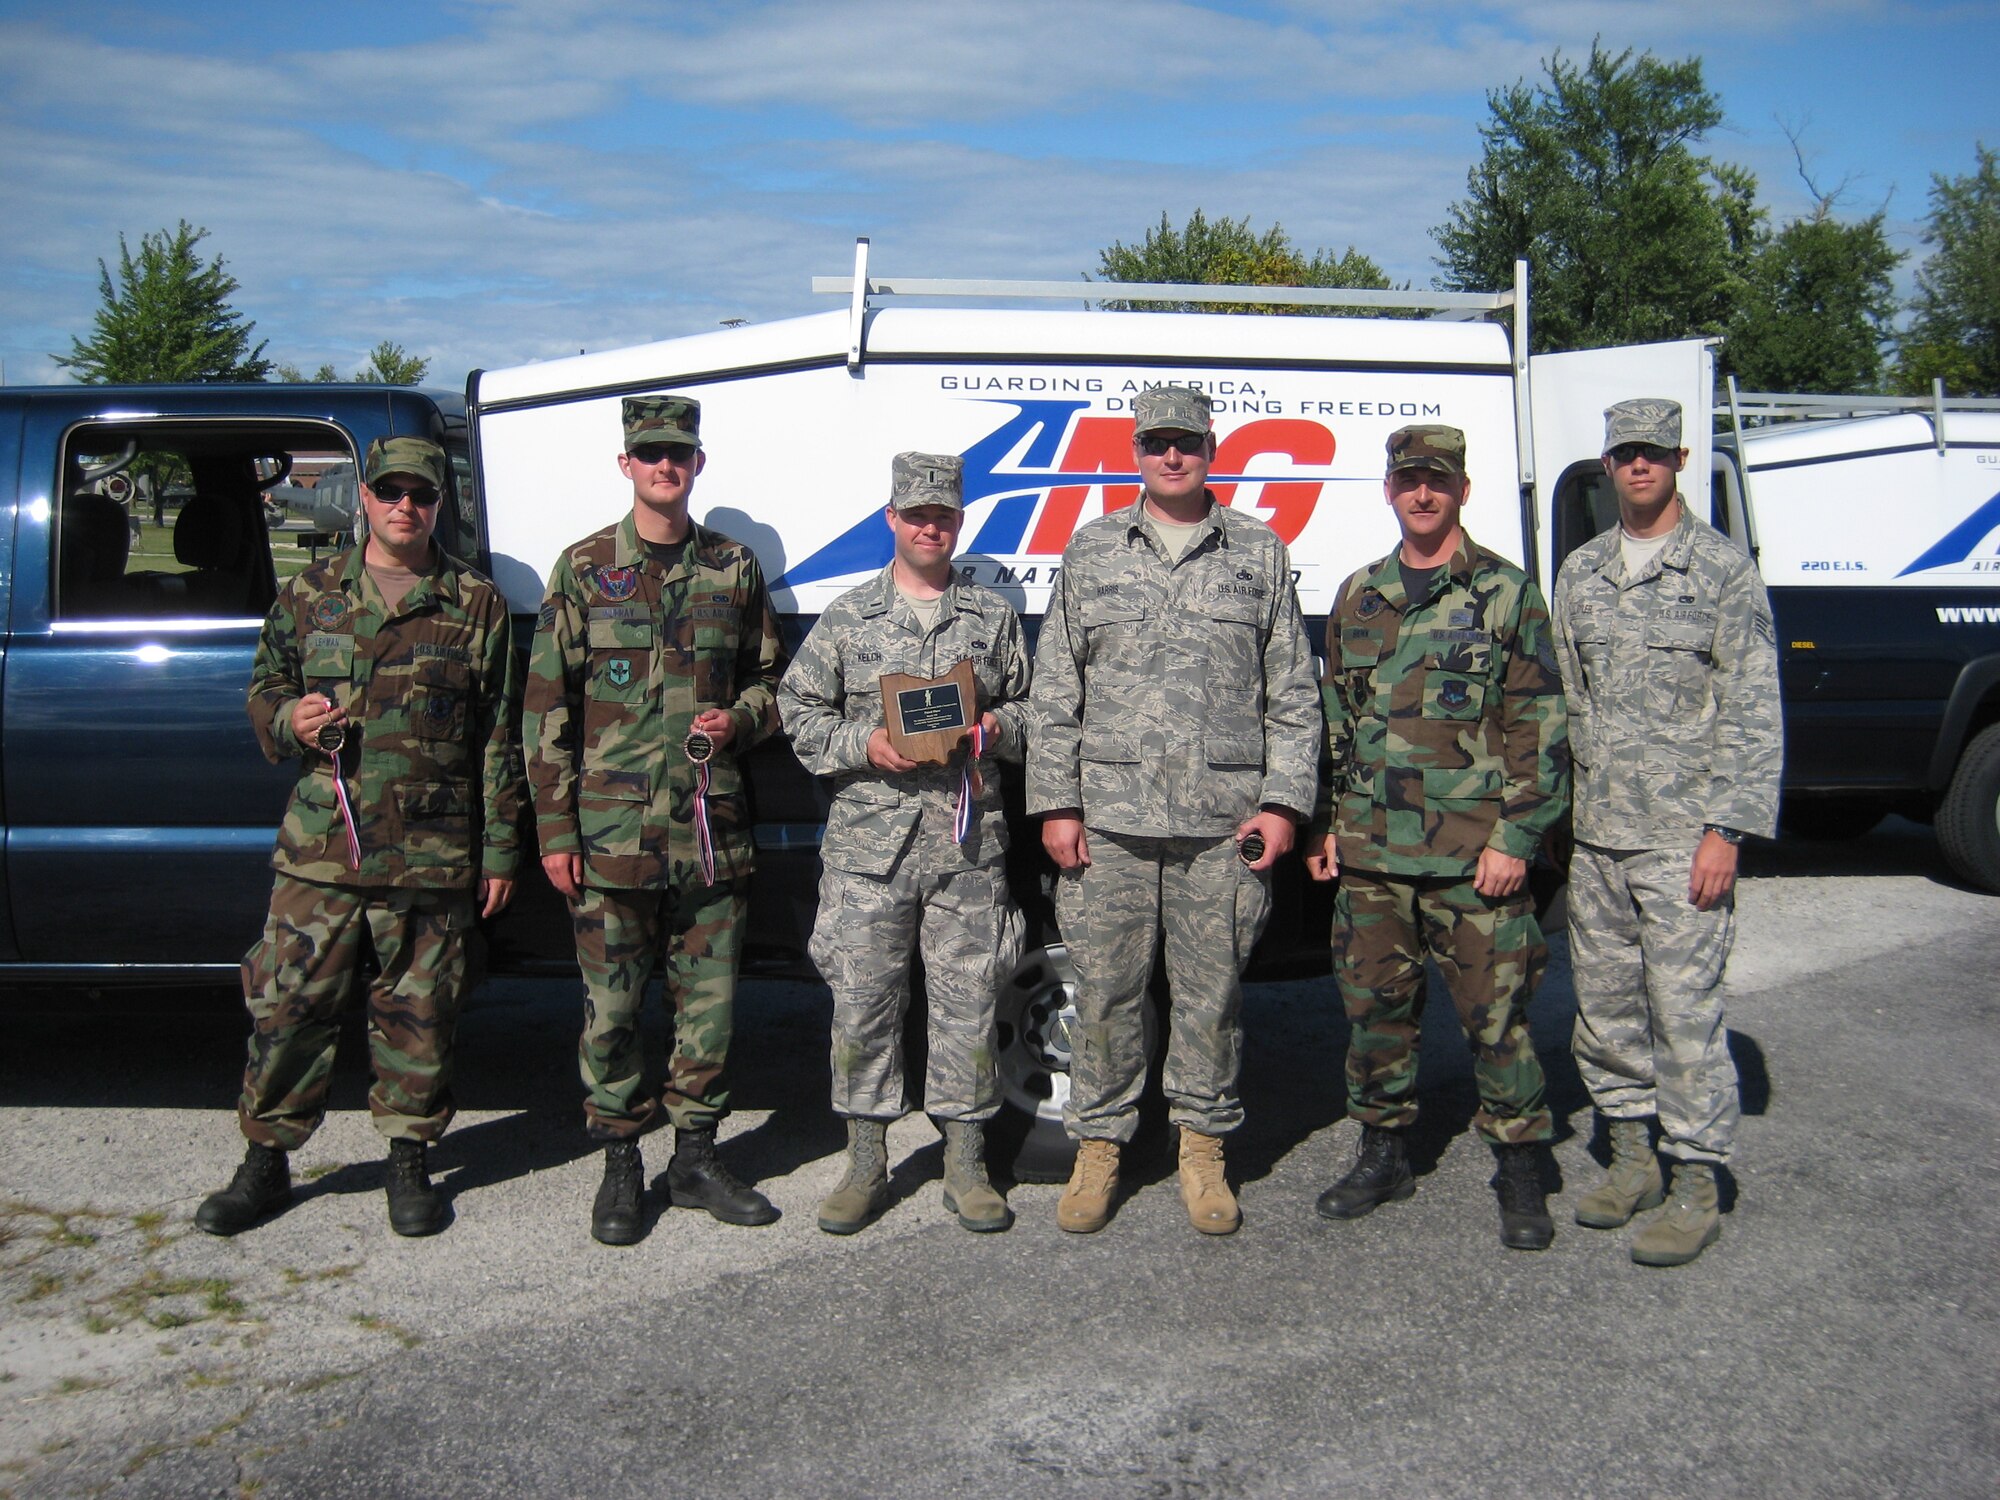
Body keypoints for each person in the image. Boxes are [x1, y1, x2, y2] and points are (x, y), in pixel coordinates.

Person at [195, 436, 523, 1239]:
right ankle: (265, 1160)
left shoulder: (473, 602)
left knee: (420, 1012)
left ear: (438, 503)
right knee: (288, 1006)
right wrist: (287, 717)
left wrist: (501, 850)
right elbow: (265, 684)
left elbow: (498, 736)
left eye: (421, 494)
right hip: (323, 850)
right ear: (365, 499)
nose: (405, 506)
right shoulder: (311, 595)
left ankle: (408, 1160)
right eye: (391, 492)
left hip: (431, 852)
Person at [1029, 385, 1320, 1236]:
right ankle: (1100, 1149)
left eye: (1186, 441)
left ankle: (1202, 1149)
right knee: (1108, 994)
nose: (1171, 455)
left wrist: (1282, 804)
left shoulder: (1257, 553)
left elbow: (1293, 694)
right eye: (1157, 441)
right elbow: (1056, 691)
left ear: (1210, 449)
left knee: (1210, 996)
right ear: (1135, 450)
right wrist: (1056, 804)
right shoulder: (1091, 552)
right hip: (1111, 821)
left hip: (1221, 825)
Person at [524, 395, 788, 1245]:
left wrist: (736, 722)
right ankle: (621, 1163)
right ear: (627, 464)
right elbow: (545, 710)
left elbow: (773, 685)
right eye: (651, 454)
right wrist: (556, 831)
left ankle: (697, 1157)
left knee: (706, 1008)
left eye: (679, 454)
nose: (665, 467)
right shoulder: (583, 566)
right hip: (609, 839)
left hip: (709, 832)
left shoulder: (732, 569)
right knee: (612, 1010)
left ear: (698, 464)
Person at [1305, 424, 1568, 1251]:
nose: (1423, 493)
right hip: (1374, 856)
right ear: (1389, 489)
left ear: (1461, 489)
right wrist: (1330, 823)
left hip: (1473, 857)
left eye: (1438, 480)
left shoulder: (1505, 593)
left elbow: (1540, 723)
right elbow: (1335, 720)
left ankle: (1522, 1166)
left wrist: (1517, 839)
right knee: (1376, 1013)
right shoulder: (1359, 595)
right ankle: (1384, 1151)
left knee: (1498, 1021)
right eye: (1409, 478)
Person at [1551, 398, 1782, 1267]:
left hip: (1685, 839)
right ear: (1607, 466)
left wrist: (1728, 828)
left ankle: (1696, 1180)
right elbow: (1569, 701)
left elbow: (1754, 707)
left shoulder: (1721, 571)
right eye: (1623, 455)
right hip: (1601, 836)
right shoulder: (1581, 571)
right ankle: (1632, 1157)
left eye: (1652, 453)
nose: (1638, 467)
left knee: (1684, 1014)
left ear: (1681, 457)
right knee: (1607, 1012)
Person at [777, 452, 1031, 1234]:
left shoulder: (989, 618)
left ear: (958, 524)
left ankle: (965, 1160)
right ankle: (865, 1160)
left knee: (969, 1002)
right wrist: (865, 746)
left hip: (965, 847)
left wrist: (993, 728)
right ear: (891, 519)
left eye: (943, 515)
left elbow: (1037, 709)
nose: (930, 526)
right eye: (915, 514)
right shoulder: (850, 616)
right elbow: (798, 710)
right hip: (869, 852)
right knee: (863, 1005)